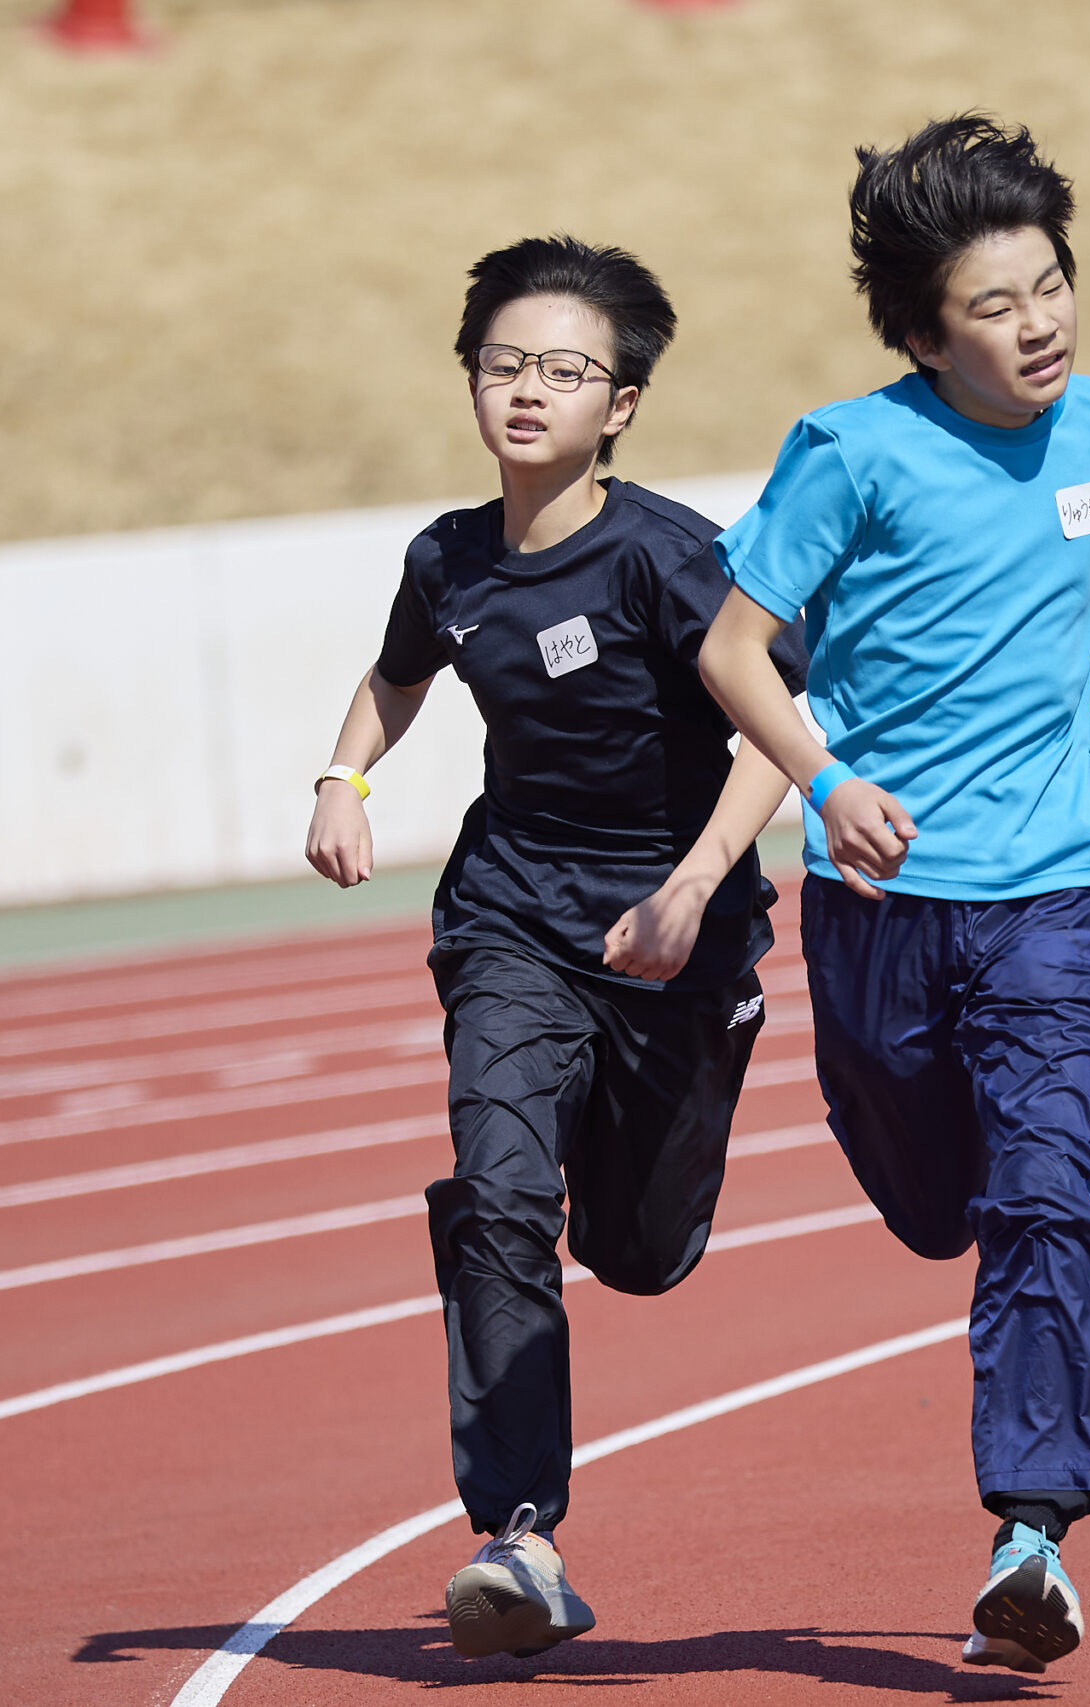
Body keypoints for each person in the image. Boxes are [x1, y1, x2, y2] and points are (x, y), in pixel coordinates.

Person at [695, 116, 1090, 1675]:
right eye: (994, 302)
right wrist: (828, 788)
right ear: (920, 329)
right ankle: (965, 1246)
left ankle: (1033, 1530)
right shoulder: (849, 454)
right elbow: (730, 648)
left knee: (1047, 1194)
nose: (1037, 323)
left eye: (1051, 287)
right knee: (930, 1201)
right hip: (881, 900)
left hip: (1062, 891)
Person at [304, 234, 809, 1661]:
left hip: (676, 938)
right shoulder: (449, 557)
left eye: (564, 370)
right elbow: (396, 679)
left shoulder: (666, 555)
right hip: (511, 918)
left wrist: (702, 884)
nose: (526, 391)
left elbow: (777, 729)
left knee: (641, 1255)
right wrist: (341, 782)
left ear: (623, 403)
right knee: (503, 1196)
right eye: (503, 364)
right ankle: (516, 1537)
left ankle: (673, 1155)